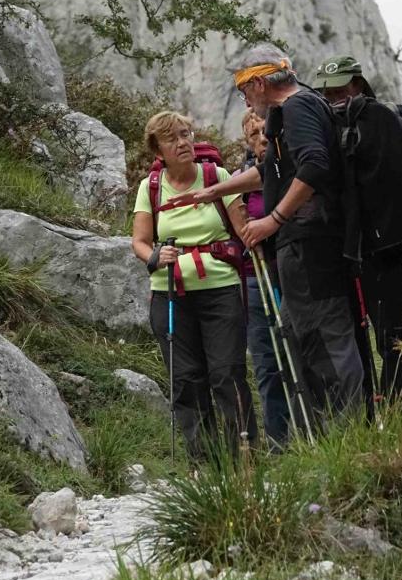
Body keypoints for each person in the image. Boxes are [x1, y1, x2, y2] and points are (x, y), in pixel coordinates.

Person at [173, 46, 366, 428]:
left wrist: (272, 220)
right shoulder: (293, 112)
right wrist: (216, 190)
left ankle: (349, 437)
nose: (243, 98)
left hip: (313, 247)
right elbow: (273, 171)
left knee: (326, 341)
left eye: (243, 89)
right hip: (302, 249)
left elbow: (313, 165)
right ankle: (330, 440)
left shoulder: (298, 108)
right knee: (305, 338)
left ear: (260, 83)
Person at [130, 111, 257, 462]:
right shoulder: (150, 187)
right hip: (170, 292)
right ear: (158, 148)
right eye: (172, 138)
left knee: (226, 373)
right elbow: (139, 242)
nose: (183, 142)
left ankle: (243, 456)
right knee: (185, 378)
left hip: (220, 288)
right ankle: (202, 460)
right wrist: (156, 254)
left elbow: (244, 230)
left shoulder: (217, 176)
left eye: (186, 134)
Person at [314, 55, 402, 399]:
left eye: (342, 88)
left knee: (392, 339)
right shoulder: (325, 129)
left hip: (383, 249)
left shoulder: (382, 122)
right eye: (328, 92)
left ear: (358, 85)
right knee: (353, 338)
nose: (335, 97)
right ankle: (366, 411)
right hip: (341, 249)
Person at [238, 108, 289, 448]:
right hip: (254, 276)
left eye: (266, 133)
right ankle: (278, 443)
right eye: (254, 135)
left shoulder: (290, 170)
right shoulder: (241, 179)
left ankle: (312, 433)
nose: (262, 140)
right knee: (267, 364)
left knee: (298, 356)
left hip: (290, 272)